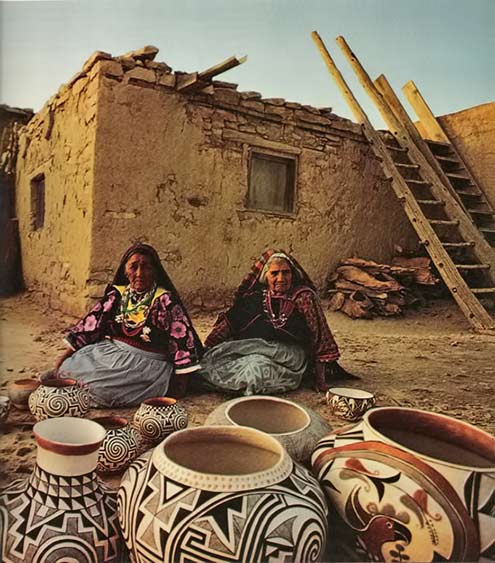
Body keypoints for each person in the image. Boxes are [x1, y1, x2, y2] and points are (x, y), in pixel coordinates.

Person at [51, 242, 203, 407]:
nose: (139, 273)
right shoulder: (117, 295)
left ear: (155, 271)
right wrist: (64, 357)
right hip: (111, 353)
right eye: (133, 267)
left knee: (102, 390)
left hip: (145, 365)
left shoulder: (165, 301)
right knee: (68, 369)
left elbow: (181, 342)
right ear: (125, 270)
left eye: (146, 267)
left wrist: (179, 385)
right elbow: (91, 326)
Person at [200, 248, 358, 396]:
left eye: (286, 273)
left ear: (293, 275)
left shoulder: (303, 297)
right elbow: (229, 324)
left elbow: (320, 336)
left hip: (289, 356)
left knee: (256, 370)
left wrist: (320, 380)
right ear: (265, 276)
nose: (281, 279)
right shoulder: (254, 298)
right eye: (274, 273)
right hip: (253, 349)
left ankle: (240, 387)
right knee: (212, 360)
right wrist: (207, 348)